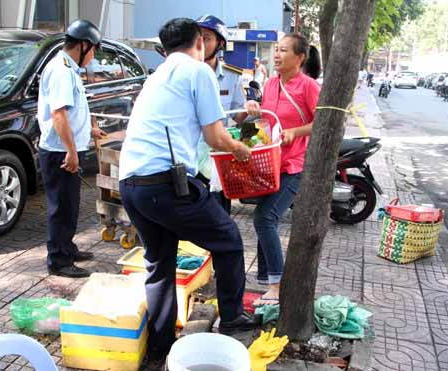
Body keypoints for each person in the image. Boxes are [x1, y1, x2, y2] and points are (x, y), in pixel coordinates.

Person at [118, 18, 259, 359]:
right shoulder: (199, 72)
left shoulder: (156, 76)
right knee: (228, 240)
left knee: (159, 262)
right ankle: (231, 319)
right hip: (165, 185)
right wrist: (240, 150)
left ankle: (159, 347)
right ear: (199, 42)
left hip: (131, 184)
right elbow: (215, 136)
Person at [245, 34, 321, 306]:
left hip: (295, 165)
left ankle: (276, 287)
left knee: (265, 218)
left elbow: (324, 122)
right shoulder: (271, 83)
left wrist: (295, 133)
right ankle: (268, 282)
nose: (277, 55)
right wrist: (253, 111)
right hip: (271, 164)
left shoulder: (309, 86)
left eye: (284, 50)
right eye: (276, 50)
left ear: (300, 57)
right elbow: (267, 121)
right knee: (264, 218)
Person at [37, 19, 107, 278]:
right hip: (59, 152)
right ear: (84, 45)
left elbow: (72, 111)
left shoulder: (67, 69)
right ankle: (58, 260)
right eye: (94, 50)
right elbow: (58, 115)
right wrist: (71, 151)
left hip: (66, 147)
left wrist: (89, 130)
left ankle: (67, 247)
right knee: (61, 207)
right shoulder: (62, 71)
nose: (94, 56)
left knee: (70, 205)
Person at [195, 14, 247, 213]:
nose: (200, 43)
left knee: (220, 215)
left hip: (218, 160)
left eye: (207, 38)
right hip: (188, 159)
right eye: (197, 37)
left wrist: (250, 107)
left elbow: (238, 116)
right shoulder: (185, 73)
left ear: (220, 44)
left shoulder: (232, 76)